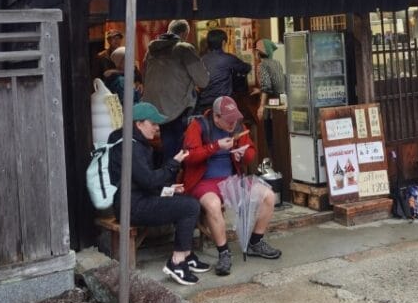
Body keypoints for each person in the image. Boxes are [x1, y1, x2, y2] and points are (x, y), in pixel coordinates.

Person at [107, 102, 209, 286]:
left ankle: (186, 254)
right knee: (189, 207)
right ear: (139, 123)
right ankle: (177, 262)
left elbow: (141, 181)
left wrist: (167, 190)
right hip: (132, 207)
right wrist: (173, 163)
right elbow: (149, 181)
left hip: (135, 198)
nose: (157, 127)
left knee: (188, 201)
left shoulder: (128, 140)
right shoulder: (132, 147)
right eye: (153, 123)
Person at [182, 96, 281, 276]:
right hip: (203, 181)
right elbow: (188, 156)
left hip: (231, 179)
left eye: (235, 118)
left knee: (269, 195)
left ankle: (256, 242)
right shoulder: (198, 126)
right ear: (216, 117)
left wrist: (242, 155)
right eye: (228, 120)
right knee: (212, 204)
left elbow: (251, 152)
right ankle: (224, 252)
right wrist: (214, 146)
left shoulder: (237, 127)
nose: (232, 123)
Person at [142, 19, 210, 162]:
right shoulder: (184, 49)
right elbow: (203, 81)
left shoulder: (151, 51)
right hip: (178, 107)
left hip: (154, 107)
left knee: (166, 147)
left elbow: (144, 75)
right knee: (181, 149)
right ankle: (176, 179)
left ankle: (167, 178)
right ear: (185, 33)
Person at [195, 29, 251, 114]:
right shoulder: (228, 59)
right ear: (223, 43)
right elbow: (246, 68)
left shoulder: (201, 60)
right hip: (223, 105)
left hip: (204, 105)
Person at [254, 38, 286, 156]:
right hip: (278, 101)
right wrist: (260, 89)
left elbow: (266, 86)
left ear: (259, 52)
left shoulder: (262, 65)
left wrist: (261, 107)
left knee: (269, 136)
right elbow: (276, 83)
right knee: (278, 136)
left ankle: (271, 160)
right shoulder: (276, 63)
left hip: (269, 105)